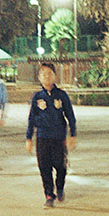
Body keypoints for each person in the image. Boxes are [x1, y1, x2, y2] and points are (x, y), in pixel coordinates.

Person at [25, 63, 78, 208]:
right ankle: (49, 195)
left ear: (55, 76)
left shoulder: (61, 95)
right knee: (44, 167)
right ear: (39, 77)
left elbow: (70, 116)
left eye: (49, 73)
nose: (47, 76)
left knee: (60, 166)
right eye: (43, 74)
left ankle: (59, 187)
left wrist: (73, 134)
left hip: (58, 137)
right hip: (42, 137)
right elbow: (32, 119)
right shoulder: (37, 97)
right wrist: (29, 138)